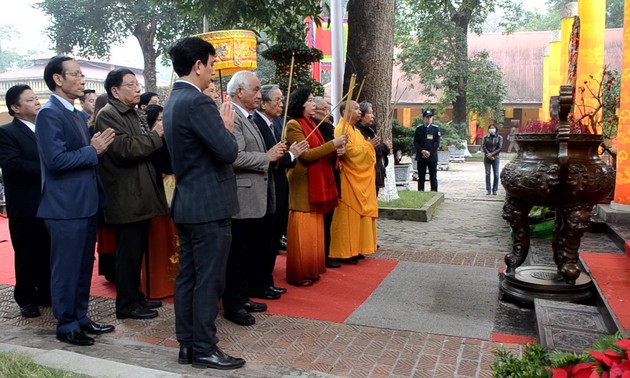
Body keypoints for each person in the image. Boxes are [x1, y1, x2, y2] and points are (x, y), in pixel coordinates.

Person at [163, 36, 245, 370]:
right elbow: (227, 151)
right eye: (211, 65)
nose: (213, 73)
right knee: (208, 279)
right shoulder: (197, 103)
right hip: (208, 204)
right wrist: (226, 128)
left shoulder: (173, 99)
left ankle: (188, 344)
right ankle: (205, 348)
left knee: (190, 277)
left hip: (188, 201)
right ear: (198, 65)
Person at [36, 55, 116, 346]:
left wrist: (96, 150)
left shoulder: (77, 114)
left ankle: (81, 317)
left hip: (85, 202)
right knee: (66, 267)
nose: (83, 79)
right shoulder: (49, 114)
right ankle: (66, 324)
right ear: (58, 79)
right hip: (65, 206)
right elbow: (55, 161)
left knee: (83, 266)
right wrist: (93, 150)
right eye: (76, 74)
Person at [94, 68, 168, 320]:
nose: (137, 89)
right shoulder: (108, 115)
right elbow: (124, 150)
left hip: (141, 191)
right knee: (127, 252)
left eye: (137, 84)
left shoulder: (135, 112)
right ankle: (125, 305)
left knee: (137, 250)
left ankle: (136, 296)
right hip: (126, 195)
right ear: (115, 91)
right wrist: (156, 136)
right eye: (131, 85)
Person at [222, 71, 286, 326]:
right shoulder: (231, 116)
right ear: (240, 91)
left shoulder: (248, 117)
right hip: (242, 197)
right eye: (256, 90)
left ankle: (242, 296)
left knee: (248, 253)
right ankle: (233, 304)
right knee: (238, 255)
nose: (260, 95)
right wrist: (267, 158)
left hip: (257, 196)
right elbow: (234, 156)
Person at [251, 84, 309, 299]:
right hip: (267, 190)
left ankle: (267, 281)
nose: (281, 104)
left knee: (273, 239)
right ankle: (260, 283)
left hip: (279, 188)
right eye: (276, 100)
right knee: (264, 241)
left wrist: (290, 156)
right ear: (263, 103)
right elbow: (272, 158)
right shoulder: (257, 124)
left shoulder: (275, 125)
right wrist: (292, 154)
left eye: (282, 100)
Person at [285, 87, 347, 285]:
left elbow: (319, 151)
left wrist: (334, 152)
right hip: (303, 182)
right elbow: (307, 155)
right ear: (301, 103)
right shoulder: (294, 125)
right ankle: (299, 273)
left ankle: (311, 269)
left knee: (314, 231)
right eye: (311, 100)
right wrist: (333, 144)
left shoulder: (312, 123)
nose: (314, 104)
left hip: (317, 182)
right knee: (304, 230)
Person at [0, 84, 51, 318]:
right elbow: (12, 166)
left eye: (36, 98)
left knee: (46, 250)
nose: (37, 102)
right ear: (15, 108)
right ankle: (25, 297)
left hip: (49, 202)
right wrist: (49, 167)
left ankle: (45, 292)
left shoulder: (45, 128)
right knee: (27, 252)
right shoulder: (7, 132)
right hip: (25, 204)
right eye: (30, 100)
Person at [329, 100, 379, 264]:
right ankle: (345, 251)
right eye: (356, 109)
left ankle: (357, 249)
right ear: (345, 113)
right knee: (347, 218)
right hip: (348, 179)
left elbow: (365, 153)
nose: (360, 111)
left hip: (359, 179)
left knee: (358, 217)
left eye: (359, 108)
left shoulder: (355, 131)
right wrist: (368, 146)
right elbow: (350, 154)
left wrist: (369, 146)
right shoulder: (340, 129)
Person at [311, 96, 341, 269]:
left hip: (331, 175)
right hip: (319, 177)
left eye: (327, 108)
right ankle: (318, 256)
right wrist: (333, 146)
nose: (326, 112)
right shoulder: (313, 128)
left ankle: (326, 254)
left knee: (329, 218)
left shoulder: (329, 127)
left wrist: (338, 150)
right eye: (323, 109)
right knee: (320, 220)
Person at [356, 101, 391, 195]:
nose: (373, 116)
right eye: (370, 113)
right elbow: (368, 149)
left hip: (377, 171)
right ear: (361, 116)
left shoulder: (370, 129)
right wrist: (382, 146)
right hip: (367, 173)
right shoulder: (358, 131)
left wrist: (386, 148)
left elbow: (376, 147)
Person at [414, 109, 440, 192]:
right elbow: (416, 142)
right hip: (421, 156)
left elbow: (437, 143)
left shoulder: (435, 129)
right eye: (427, 117)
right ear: (424, 118)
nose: (428, 119)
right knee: (421, 176)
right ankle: (420, 191)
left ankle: (434, 191)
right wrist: (422, 151)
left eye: (430, 117)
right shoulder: (419, 129)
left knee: (433, 176)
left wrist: (429, 152)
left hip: (432, 156)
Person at [482, 124, 503, 195]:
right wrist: (488, 154)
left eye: (493, 128)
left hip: (495, 157)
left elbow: (499, 147)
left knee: (496, 174)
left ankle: (495, 190)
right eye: (490, 128)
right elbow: (484, 146)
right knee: (487, 174)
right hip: (487, 157)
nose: (492, 129)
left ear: (496, 129)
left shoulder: (499, 137)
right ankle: (488, 189)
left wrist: (493, 154)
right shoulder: (485, 137)